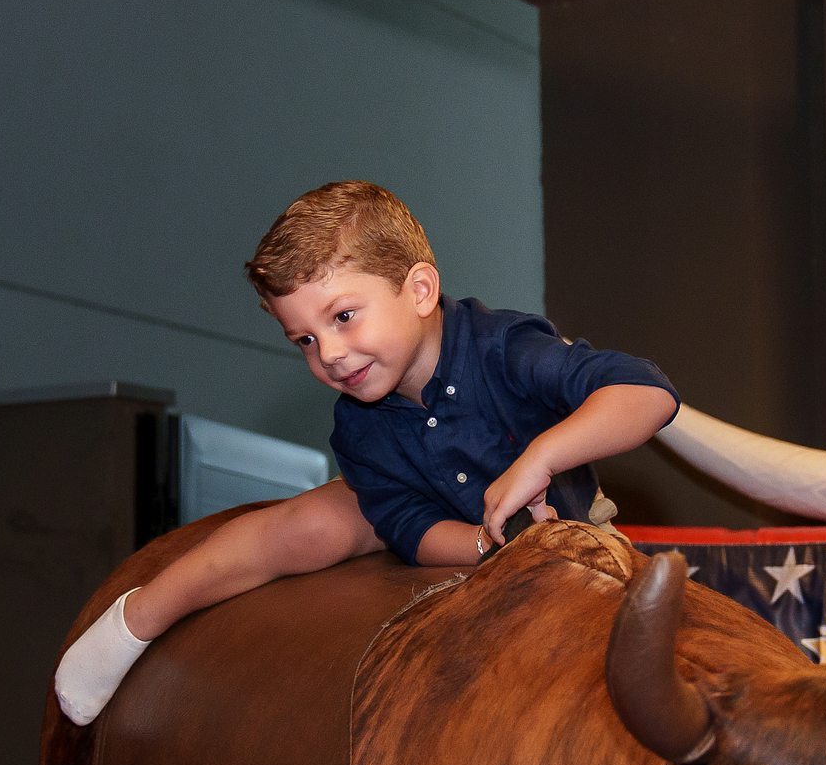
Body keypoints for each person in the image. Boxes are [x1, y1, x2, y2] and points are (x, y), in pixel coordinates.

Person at [54, 180, 677, 725]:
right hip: (453, 524)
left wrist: (541, 458)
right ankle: (136, 619)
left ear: (420, 290)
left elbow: (647, 393)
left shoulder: (507, 347)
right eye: (304, 339)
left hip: (569, 535)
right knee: (299, 527)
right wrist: (485, 545)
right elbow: (407, 525)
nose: (327, 353)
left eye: (344, 316)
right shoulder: (357, 428)